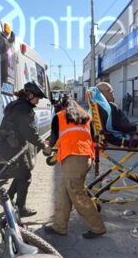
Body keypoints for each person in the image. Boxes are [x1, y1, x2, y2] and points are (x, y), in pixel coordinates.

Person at [44, 99, 107, 239]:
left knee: (78, 195)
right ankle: (59, 226)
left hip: (74, 158)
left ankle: (97, 227)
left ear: (62, 107)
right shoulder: (85, 117)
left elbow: (53, 138)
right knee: (64, 191)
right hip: (85, 158)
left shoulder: (59, 116)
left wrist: (48, 149)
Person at [0, 81, 50, 217]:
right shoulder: (23, 109)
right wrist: (43, 146)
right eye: (37, 98)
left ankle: (7, 198)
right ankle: (20, 209)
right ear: (30, 95)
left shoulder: (20, 105)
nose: (38, 102)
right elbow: (29, 132)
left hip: (11, 145)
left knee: (21, 173)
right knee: (25, 175)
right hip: (10, 147)